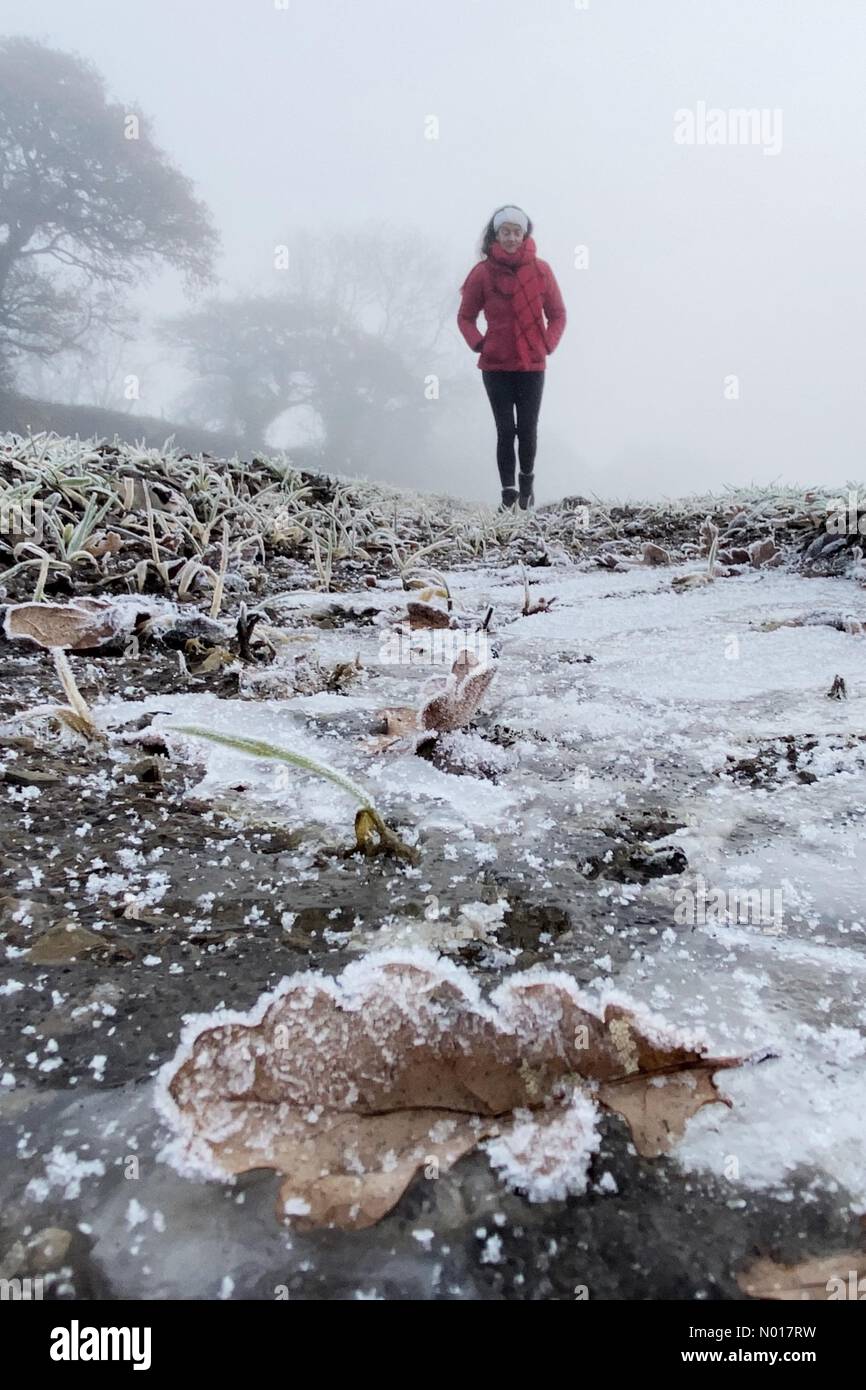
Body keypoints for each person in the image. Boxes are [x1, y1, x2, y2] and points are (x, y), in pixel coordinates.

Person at [457, 205, 566, 511]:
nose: (510, 238)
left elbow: (558, 314)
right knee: (505, 430)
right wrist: (479, 343)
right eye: (505, 232)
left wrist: (547, 343)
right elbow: (465, 317)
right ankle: (508, 493)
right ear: (496, 234)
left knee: (527, 428)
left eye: (516, 232)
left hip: (532, 365)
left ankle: (527, 485)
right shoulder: (481, 273)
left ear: (524, 235)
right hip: (495, 365)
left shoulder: (542, 270)